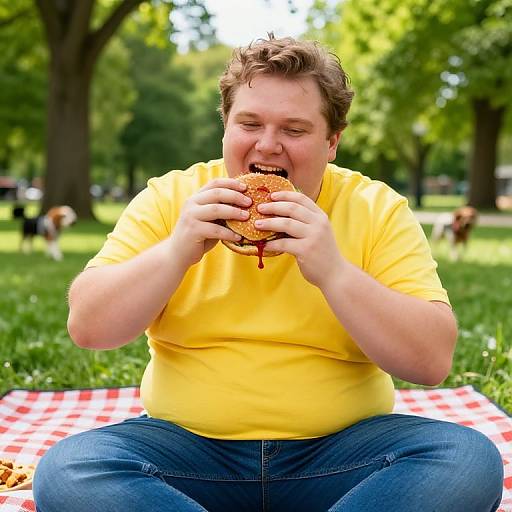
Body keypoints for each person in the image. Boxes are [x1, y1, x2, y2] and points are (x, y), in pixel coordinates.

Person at [33, 35, 503, 512]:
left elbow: (430, 361)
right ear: (226, 126)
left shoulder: (375, 207)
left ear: (332, 141)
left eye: (294, 130)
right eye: (249, 123)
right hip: (186, 452)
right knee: (71, 470)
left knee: (466, 459)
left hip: (344, 455)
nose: (267, 144)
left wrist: (334, 272)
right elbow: (88, 327)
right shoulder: (171, 198)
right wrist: (176, 251)